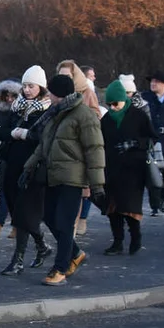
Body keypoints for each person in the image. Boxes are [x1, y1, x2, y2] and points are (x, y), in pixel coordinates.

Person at [22, 74, 106, 287]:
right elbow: (43, 145)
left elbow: (94, 150)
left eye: (51, 91)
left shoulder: (83, 115)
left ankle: (60, 268)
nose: (48, 94)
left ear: (60, 94)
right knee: (49, 217)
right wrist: (28, 167)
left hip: (73, 178)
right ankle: (76, 253)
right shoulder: (55, 114)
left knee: (65, 222)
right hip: (53, 175)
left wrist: (97, 186)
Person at [0, 65, 53, 276]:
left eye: (32, 86)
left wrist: (25, 134)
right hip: (12, 164)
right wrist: (11, 133)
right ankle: (42, 246)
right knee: (17, 211)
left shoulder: (47, 110)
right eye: (25, 86)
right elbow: (2, 132)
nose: (27, 90)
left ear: (41, 87)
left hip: (32, 167)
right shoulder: (16, 107)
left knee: (24, 212)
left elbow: (45, 138)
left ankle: (18, 260)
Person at [100, 80, 155, 255]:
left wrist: (135, 143)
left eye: (116, 103)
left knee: (130, 208)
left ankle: (136, 238)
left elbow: (152, 138)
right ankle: (117, 242)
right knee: (113, 208)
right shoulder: (106, 119)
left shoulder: (138, 116)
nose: (113, 107)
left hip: (134, 169)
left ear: (124, 99)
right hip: (111, 168)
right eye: (109, 104)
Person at [57, 60, 102, 236]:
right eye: (61, 75)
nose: (64, 79)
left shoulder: (86, 93)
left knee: (80, 188)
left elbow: (96, 114)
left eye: (67, 75)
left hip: (79, 146)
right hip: (60, 147)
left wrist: (80, 118)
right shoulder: (56, 93)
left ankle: (77, 223)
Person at [0, 78, 22, 243]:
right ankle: (16, 224)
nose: (9, 99)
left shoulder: (21, 111)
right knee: (8, 192)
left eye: (13, 96)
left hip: (14, 156)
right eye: (6, 96)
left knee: (6, 192)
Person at [142, 71, 164, 217]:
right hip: (151, 140)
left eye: (156, 81)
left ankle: (163, 195)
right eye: (151, 81)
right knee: (152, 172)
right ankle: (155, 205)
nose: (153, 84)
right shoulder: (145, 97)